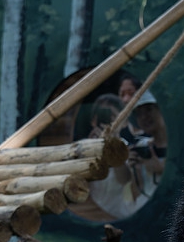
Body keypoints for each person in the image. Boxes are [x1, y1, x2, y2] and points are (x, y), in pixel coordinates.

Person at [68, 82, 167, 222]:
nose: (108, 122)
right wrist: (88, 154)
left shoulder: (127, 149)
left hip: (118, 213)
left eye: (113, 117)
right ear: (93, 121)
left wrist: (113, 150)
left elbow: (124, 179)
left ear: (124, 121)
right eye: (102, 116)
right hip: (88, 211)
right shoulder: (80, 147)